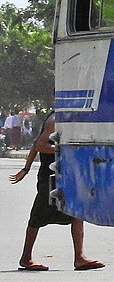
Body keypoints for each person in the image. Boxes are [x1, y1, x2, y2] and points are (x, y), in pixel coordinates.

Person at [9, 114, 104, 272]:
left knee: (76, 213)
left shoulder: (67, 117)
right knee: (38, 215)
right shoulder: (56, 119)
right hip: (51, 176)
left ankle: (79, 257)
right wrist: (62, 150)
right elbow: (39, 145)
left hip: (67, 174)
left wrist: (26, 169)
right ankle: (26, 258)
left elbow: (34, 144)